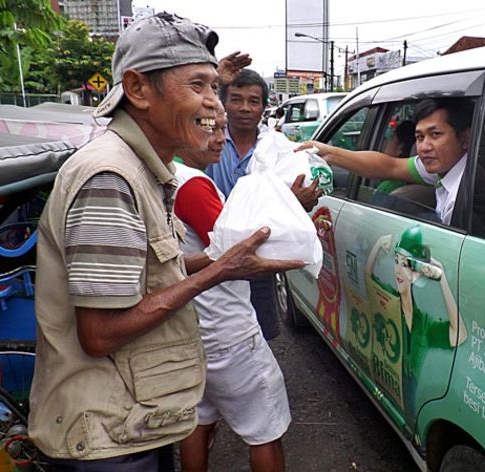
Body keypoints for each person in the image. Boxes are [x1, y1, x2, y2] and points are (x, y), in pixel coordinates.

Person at [28, 14, 302, 470]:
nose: (216, 105)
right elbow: (99, 334)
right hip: (107, 438)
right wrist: (220, 269)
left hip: (134, 418)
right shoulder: (110, 177)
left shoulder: (147, 170)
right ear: (137, 89)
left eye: (216, 87)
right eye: (199, 86)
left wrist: (219, 261)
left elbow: (154, 273)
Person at [173, 107, 290, 472]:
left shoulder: (164, 175)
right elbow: (238, 248)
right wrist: (293, 208)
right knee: (265, 429)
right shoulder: (192, 184)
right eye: (212, 128)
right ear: (185, 129)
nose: (221, 138)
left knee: (199, 416)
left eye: (223, 129)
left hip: (193, 325)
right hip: (228, 329)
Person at [208, 68, 322, 340]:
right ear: (224, 103)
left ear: (264, 107)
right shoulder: (207, 142)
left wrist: (293, 203)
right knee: (216, 338)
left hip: (259, 259)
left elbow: (294, 205)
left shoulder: (278, 149)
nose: (245, 108)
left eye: (253, 101)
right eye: (236, 99)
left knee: (260, 336)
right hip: (210, 257)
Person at [297, 98, 473, 225]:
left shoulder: (463, 194)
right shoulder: (443, 169)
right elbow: (391, 166)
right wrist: (329, 154)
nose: (424, 147)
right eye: (419, 137)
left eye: (436, 135)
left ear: (465, 138)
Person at [364, 225, 466, 428]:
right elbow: (368, 279)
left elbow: (458, 334)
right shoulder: (389, 300)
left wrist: (442, 278)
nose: (398, 271)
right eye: (396, 262)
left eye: (407, 265)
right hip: (388, 383)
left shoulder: (425, 324)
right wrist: (377, 245)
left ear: (417, 274)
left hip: (410, 405)